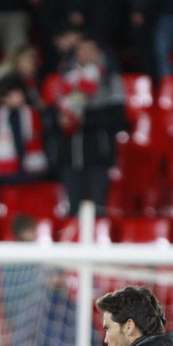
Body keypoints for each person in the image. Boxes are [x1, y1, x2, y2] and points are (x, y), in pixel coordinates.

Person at [46, 36, 126, 215]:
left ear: (99, 52)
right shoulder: (66, 78)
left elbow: (118, 118)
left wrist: (85, 120)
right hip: (68, 153)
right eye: (81, 49)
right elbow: (52, 113)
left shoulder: (109, 79)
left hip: (97, 152)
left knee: (98, 209)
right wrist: (59, 120)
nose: (84, 54)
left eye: (90, 49)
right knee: (71, 209)